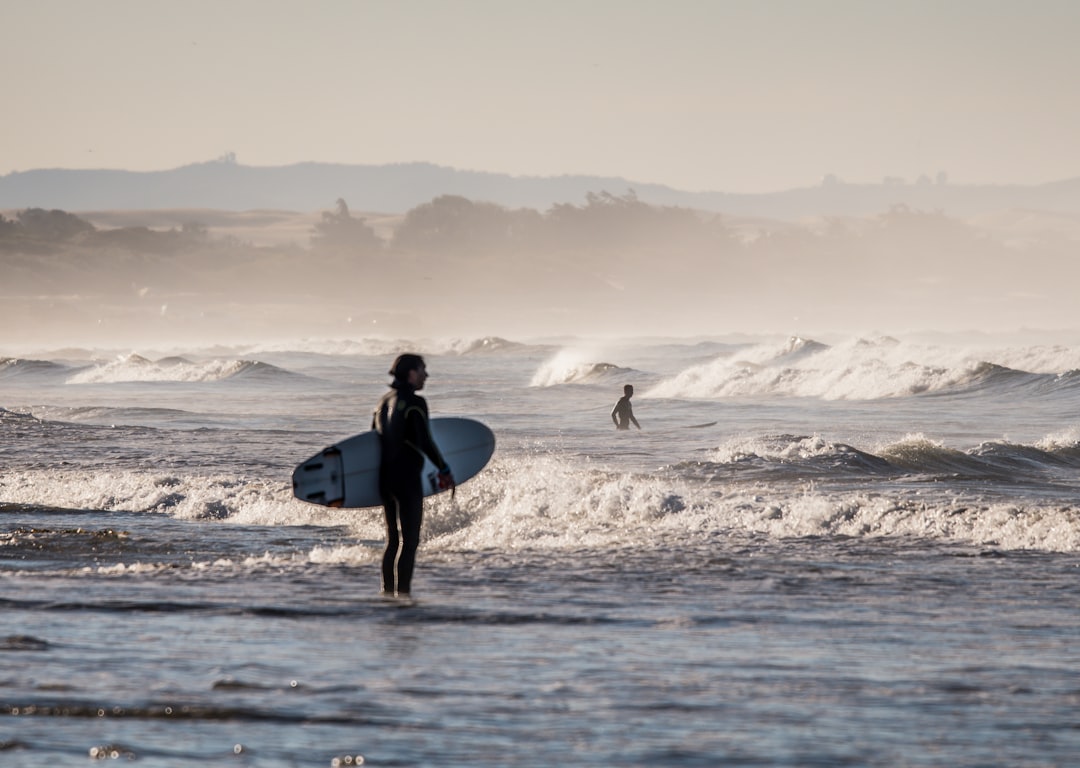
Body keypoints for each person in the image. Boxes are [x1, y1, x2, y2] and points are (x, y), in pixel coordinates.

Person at [372, 353, 454, 597]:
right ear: (411, 373)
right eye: (422, 370)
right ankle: (404, 596)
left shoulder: (382, 402)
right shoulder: (416, 402)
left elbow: (372, 443)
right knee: (410, 542)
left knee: (393, 541)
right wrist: (444, 468)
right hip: (407, 479)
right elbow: (425, 442)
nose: (426, 375)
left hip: (385, 478)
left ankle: (387, 594)